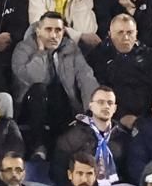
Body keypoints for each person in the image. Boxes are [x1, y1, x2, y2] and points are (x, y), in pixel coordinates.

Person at [12, 12, 99, 155]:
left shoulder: (70, 48)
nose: (53, 35)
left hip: (61, 107)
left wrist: (91, 108)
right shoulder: (23, 49)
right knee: (39, 89)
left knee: (60, 91)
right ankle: (38, 146)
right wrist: (41, 52)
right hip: (29, 108)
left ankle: (59, 147)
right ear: (38, 31)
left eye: (58, 30)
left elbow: (86, 77)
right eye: (48, 30)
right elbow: (35, 77)